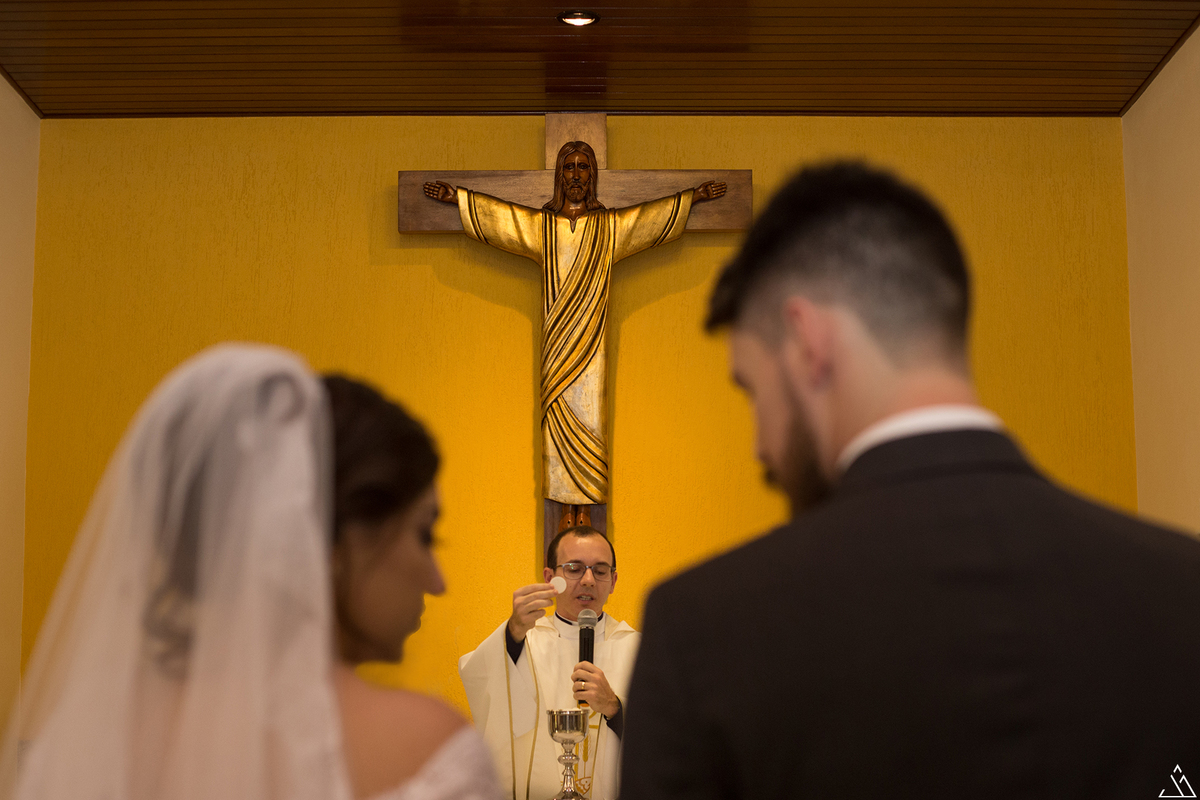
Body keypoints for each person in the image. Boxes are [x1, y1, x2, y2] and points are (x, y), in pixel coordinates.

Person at [619, 162, 1200, 799]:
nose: (761, 448)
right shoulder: (1181, 589)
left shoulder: (705, 631)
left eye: (753, 391)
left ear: (810, 343)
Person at [1, 344, 502, 800]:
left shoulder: (88, 742)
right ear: (334, 544)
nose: (437, 581)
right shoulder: (425, 749)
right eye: (424, 534)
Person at [423, 142, 726, 511]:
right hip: (558, 351)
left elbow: (648, 219)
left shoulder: (609, 228)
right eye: (569, 167)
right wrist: (460, 200)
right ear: (559, 176)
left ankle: (585, 511)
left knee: (592, 420)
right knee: (555, 423)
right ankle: (564, 510)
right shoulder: (543, 228)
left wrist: (691, 198)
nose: (577, 175)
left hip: (589, 352)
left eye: (584, 167)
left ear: (593, 175)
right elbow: (505, 219)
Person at [459, 525, 639, 800]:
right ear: (550, 577)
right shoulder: (523, 640)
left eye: (600, 570)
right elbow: (482, 682)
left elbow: (667, 735)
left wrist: (615, 708)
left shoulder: (637, 648)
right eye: (574, 568)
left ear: (613, 581)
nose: (588, 580)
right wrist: (512, 634)